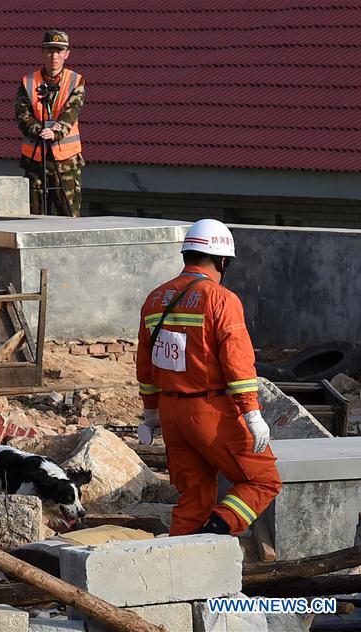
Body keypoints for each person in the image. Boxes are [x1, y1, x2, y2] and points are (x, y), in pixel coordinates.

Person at [135, 219, 281, 536]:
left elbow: (145, 364)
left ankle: (181, 573)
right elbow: (238, 364)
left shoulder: (155, 299)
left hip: (172, 414)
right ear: (223, 260)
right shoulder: (221, 299)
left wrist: (151, 412)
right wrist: (252, 414)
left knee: (192, 500)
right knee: (263, 479)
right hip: (210, 412)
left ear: (187, 254)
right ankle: (215, 532)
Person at [16, 29, 86, 217]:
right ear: (43, 53)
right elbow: (23, 116)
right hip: (36, 161)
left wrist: (55, 132)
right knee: (34, 219)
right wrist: (40, 130)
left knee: (70, 217)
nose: (54, 56)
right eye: (50, 51)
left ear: (66, 54)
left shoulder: (75, 81)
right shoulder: (28, 82)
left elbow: (70, 114)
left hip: (66, 162)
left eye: (58, 51)